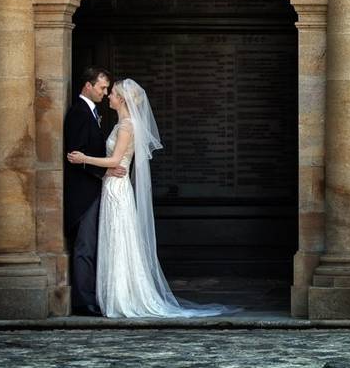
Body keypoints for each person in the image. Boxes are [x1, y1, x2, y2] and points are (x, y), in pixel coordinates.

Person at [67, 78, 237, 318]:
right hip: (111, 185)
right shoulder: (122, 124)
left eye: (112, 93)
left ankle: (121, 297)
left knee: (118, 240)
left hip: (116, 188)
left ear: (122, 99)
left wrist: (84, 158)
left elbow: (116, 162)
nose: (108, 97)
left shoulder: (127, 126)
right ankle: (112, 296)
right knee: (113, 240)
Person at [63, 66, 126, 316]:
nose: (105, 92)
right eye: (102, 87)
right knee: (85, 246)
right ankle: (83, 301)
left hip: (96, 189)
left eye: (107, 89)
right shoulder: (79, 112)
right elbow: (74, 155)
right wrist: (105, 171)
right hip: (83, 194)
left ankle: (93, 295)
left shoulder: (93, 111)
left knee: (92, 245)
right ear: (87, 86)